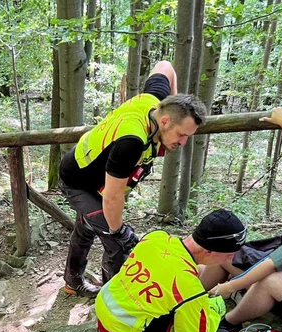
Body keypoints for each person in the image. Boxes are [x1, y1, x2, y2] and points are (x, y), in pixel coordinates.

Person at [58, 60, 208, 297]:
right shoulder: (132, 141)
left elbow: (166, 66)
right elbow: (112, 196)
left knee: (87, 226)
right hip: (78, 181)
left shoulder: (156, 101)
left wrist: (176, 102)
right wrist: (118, 231)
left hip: (93, 178)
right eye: (181, 134)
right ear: (166, 121)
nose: (183, 143)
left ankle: (73, 281)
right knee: (115, 239)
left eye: (188, 136)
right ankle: (113, 298)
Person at [201, 107, 282, 332]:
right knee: (223, 254)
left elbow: (273, 262)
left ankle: (228, 322)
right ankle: (190, 296)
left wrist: (229, 287)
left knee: (269, 278)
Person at [96, 209, 246, 332]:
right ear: (208, 251)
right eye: (229, 254)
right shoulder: (189, 288)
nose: (232, 259)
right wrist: (214, 308)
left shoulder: (156, 238)